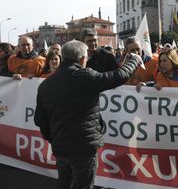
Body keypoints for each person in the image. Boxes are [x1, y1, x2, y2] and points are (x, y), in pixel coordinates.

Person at [34, 40, 141, 189]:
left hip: (60, 146)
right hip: (83, 147)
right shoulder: (85, 76)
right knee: (83, 185)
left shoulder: (45, 85)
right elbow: (119, 76)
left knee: (64, 182)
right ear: (82, 59)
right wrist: (135, 60)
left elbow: (39, 119)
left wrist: (53, 139)